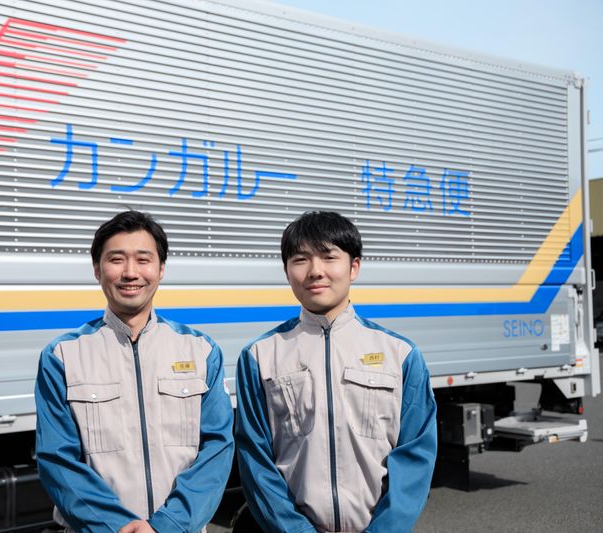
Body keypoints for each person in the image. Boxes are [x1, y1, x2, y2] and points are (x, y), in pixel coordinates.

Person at [235, 210, 437, 533]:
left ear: (354, 267)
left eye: (329, 257)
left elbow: (415, 456)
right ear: (287, 271)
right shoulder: (259, 357)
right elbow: (255, 460)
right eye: (301, 260)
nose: (316, 271)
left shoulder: (400, 355)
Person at [35, 210, 234, 533]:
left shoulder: (201, 350)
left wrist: (168, 524)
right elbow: (57, 459)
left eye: (143, 260)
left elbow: (217, 448)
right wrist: (116, 525)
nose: (130, 273)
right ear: (97, 269)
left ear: (161, 269)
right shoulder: (62, 356)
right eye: (116, 260)